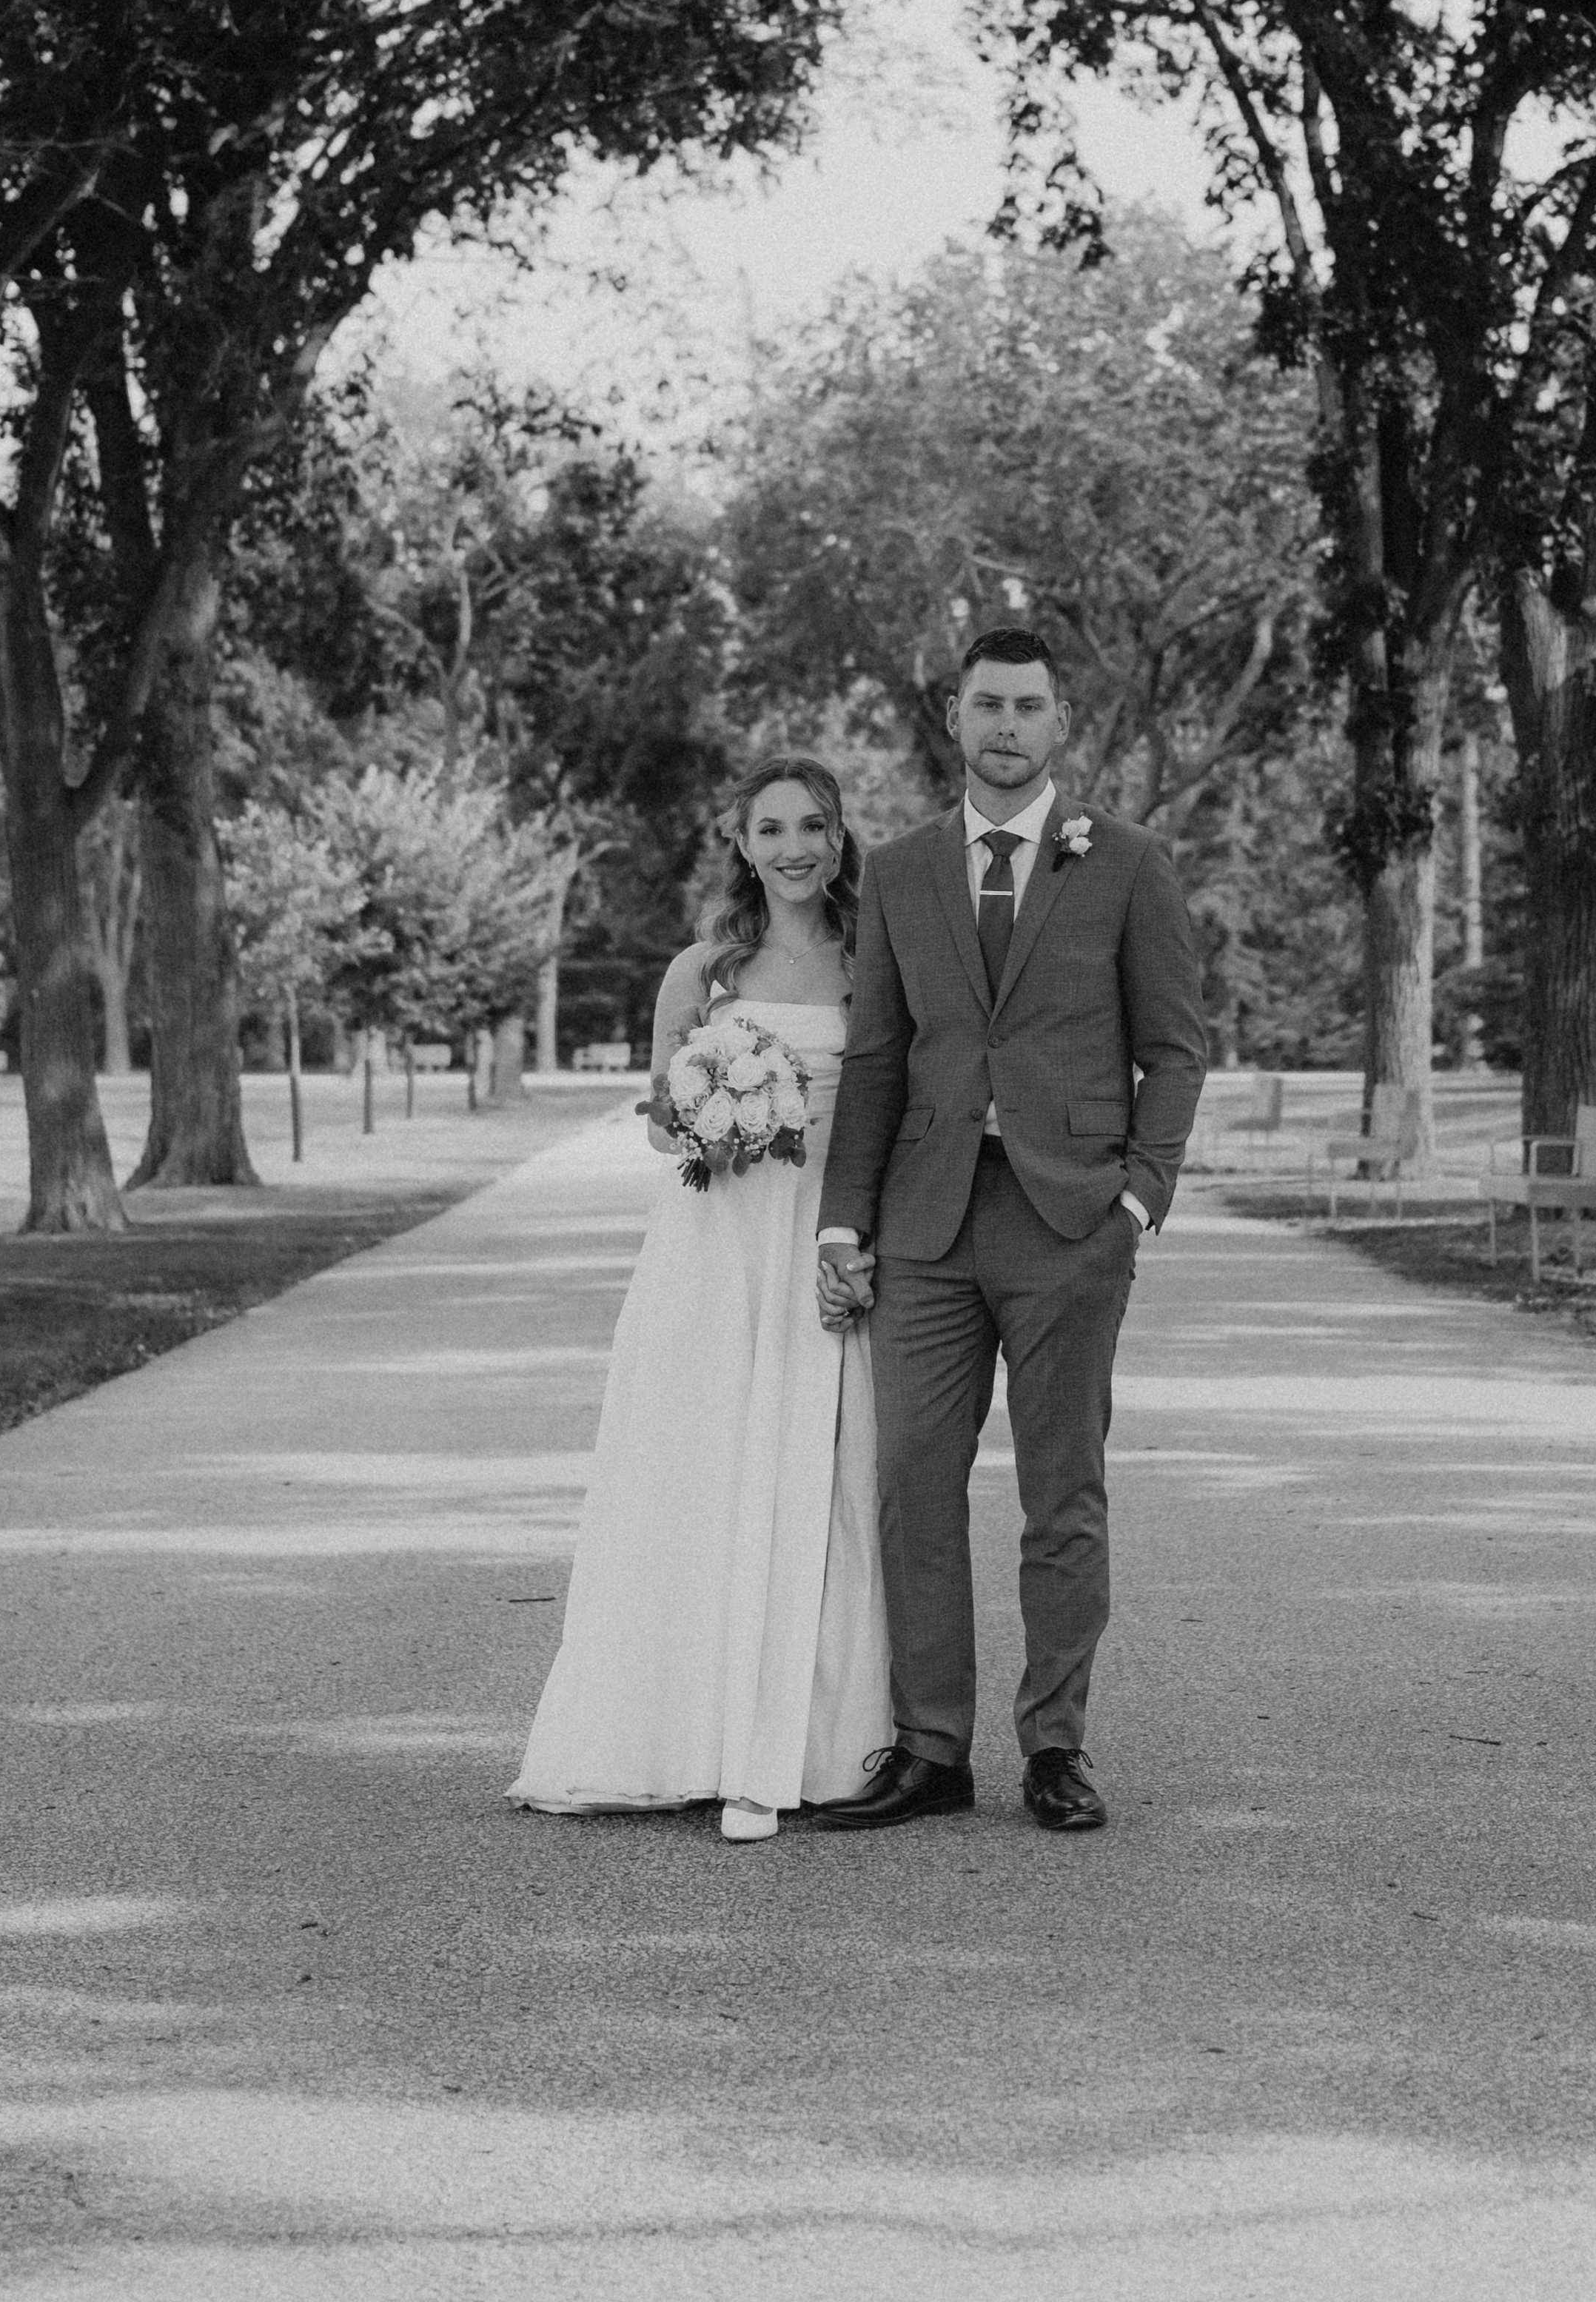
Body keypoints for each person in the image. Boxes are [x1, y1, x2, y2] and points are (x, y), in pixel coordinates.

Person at [800, 625, 1207, 1836]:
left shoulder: (1128, 864)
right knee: (910, 1488)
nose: (1008, 727)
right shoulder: (903, 871)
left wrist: (1139, 1199)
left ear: (1059, 725)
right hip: (926, 1226)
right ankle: (931, 1749)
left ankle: (1056, 1747)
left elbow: (1175, 1048)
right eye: (989, 705)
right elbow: (877, 1057)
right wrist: (841, 1223)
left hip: (1069, 1221)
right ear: (956, 718)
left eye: (1030, 707)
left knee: (1061, 1494)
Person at [509, 758, 894, 1842]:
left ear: (838, 835)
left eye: (812, 825)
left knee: (823, 1475)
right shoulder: (700, 972)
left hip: (825, 1230)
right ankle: (681, 1733)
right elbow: (658, 1116)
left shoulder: (876, 961)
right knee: (702, 1467)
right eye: (770, 828)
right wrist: (717, 1116)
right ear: (741, 842)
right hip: (717, 1239)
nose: (793, 848)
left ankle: (802, 1745)